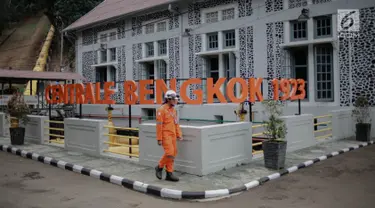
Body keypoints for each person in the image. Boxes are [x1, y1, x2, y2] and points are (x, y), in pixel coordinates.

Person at [155, 90, 183, 182]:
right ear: (169, 99)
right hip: (165, 135)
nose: (176, 101)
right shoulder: (161, 110)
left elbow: (176, 124)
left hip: (173, 135)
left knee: (173, 153)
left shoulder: (174, 110)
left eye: (176, 99)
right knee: (170, 153)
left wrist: (179, 134)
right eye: (174, 99)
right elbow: (159, 125)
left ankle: (169, 174)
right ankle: (159, 167)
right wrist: (159, 139)